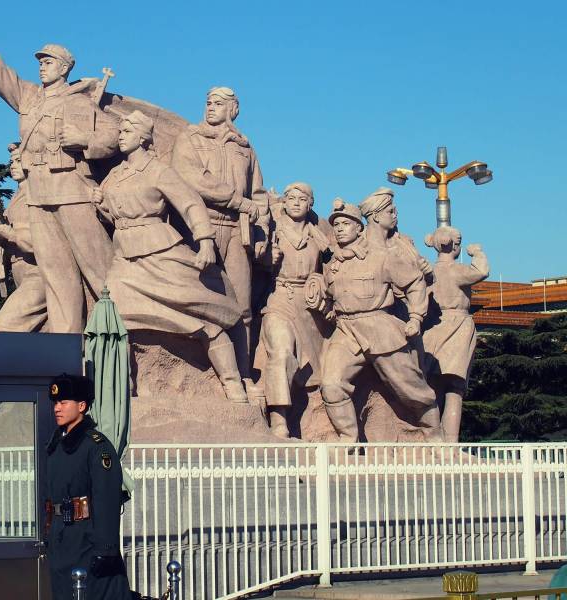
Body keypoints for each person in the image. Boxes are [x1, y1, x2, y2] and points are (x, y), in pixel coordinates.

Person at [0, 4, 116, 333]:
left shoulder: (80, 102)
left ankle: (124, 340)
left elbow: (112, 139)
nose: (41, 67)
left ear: (64, 68)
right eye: (39, 62)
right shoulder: (29, 98)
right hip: (39, 196)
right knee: (58, 279)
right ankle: (66, 353)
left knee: (101, 271)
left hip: (72, 192)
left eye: (48, 62)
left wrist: (84, 140)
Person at [95, 110, 249, 403]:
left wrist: (205, 241)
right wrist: (100, 204)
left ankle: (233, 384)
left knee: (203, 318)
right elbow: (113, 214)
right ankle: (121, 391)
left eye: (127, 130)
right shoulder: (115, 175)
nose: (121, 135)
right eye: (120, 130)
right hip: (125, 259)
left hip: (161, 252)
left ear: (143, 137)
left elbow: (190, 204)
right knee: (111, 318)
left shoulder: (158, 171)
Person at [170, 87, 270, 390]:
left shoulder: (245, 148)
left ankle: (242, 374)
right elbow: (191, 178)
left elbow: (259, 194)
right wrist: (239, 202)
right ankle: (199, 374)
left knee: (241, 308)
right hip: (201, 228)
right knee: (198, 299)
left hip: (238, 233)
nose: (211, 107)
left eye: (218, 103)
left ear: (233, 109)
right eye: (208, 103)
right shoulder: (191, 137)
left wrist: (261, 227)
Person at [319, 199, 443, 442]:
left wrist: (416, 317)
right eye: (336, 225)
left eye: (346, 223)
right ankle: (348, 439)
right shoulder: (333, 264)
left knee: (410, 388)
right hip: (346, 331)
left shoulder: (381, 257)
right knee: (331, 385)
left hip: (379, 327)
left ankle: (434, 435)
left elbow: (415, 282)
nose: (340, 228)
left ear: (359, 228)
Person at [44, 373, 130, 600]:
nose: (57, 408)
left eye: (64, 402)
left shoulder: (96, 447)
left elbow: (107, 500)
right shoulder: (55, 447)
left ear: (81, 405)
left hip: (88, 544)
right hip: (62, 542)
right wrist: (49, 534)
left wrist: (107, 550)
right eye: (55, 402)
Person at [259, 183, 332, 437]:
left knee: (319, 371)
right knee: (281, 351)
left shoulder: (319, 236)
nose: (296, 202)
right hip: (280, 298)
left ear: (310, 203)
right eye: (290, 198)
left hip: (310, 307)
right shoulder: (274, 230)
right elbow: (256, 260)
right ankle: (279, 420)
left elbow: (334, 270)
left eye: (302, 199)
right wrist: (268, 257)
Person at [422, 227, 489, 442]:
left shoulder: (429, 273)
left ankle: (432, 441)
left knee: (431, 389)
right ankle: (450, 445)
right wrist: (477, 252)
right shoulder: (455, 270)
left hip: (431, 329)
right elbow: (481, 271)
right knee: (454, 390)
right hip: (457, 327)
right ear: (454, 245)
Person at [0, 143, 48, 332]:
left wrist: (6, 232)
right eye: (11, 162)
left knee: (3, 327)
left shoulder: (39, 195)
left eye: (18, 160)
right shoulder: (15, 200)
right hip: (19, 274)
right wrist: (1, 263)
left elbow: (41, 241)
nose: (13, 165)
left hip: (39, 273)